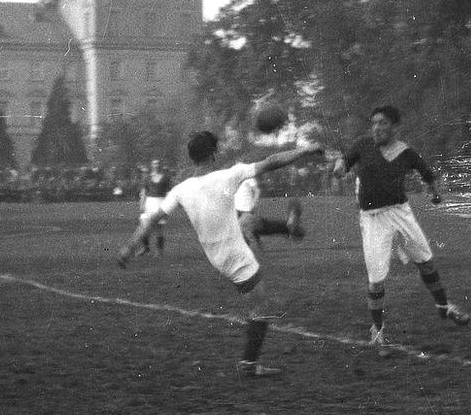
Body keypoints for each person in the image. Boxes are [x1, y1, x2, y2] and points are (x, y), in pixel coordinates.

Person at [118, 131, 325, 377]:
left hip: (216, 256)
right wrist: (304, 150)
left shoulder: (180, 190)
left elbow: (152, 219)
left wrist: (131, 246)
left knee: (251, 226)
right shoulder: (229, 175)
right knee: (264, 305)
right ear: (214, 154)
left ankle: (286, 228)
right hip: (235, 256)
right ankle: (248, 364)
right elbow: (272, 162)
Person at [334, 105, 470, 354]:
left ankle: (444, 307)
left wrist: (434, 192)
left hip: (400, 212)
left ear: (393, 126)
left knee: (426, 262)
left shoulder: (405, 152)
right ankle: (377, 331)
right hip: (373, 218)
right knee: (376, 281)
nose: (377, 127)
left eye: (383, 123)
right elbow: (343, 162)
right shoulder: (363, 145)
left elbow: (427, 173)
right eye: (374, 122)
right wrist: (339, 167)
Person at [234, 175, 304, 256]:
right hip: (256, 222)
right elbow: (253, 237)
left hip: (259, 225)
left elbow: (252, 237)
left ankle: (292, 228)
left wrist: (260, 250)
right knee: (276, 227)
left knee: (276, 228)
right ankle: (291, 227)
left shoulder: (240, 226)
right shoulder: (240, 223)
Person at [136, 159, 173, 256]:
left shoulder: (165, 178)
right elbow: (144, 192)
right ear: (151, 165)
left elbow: (169, 193)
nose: (156, 165)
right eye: (154, 163)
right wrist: (141, 204)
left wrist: (167, 206)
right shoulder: (147, 178)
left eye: (158, 163)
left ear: (160, 165)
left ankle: (159, 251)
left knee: (159, 228)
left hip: (160, 203)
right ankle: (145, 248)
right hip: (149, 203)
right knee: (144, 226)